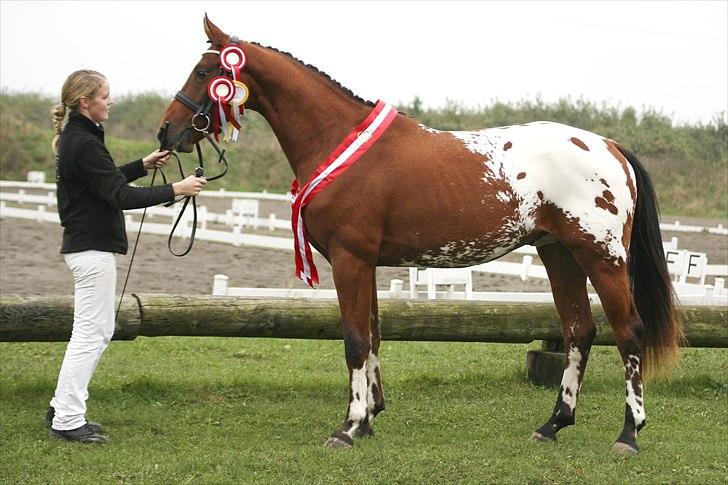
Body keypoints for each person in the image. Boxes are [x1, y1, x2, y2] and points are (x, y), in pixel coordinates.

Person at [46, 69, 206, 443]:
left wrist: (141, 166)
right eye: (104, 95)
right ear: (85, 102)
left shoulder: (80, 138)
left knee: (91, 332)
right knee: (91, 334)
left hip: (87, 248)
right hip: (91, 251)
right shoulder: (83, 143)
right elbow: (120, 196)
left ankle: (62, 407)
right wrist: (177, 188)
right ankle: (67, 419)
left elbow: (105, 180)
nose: (110, 100)